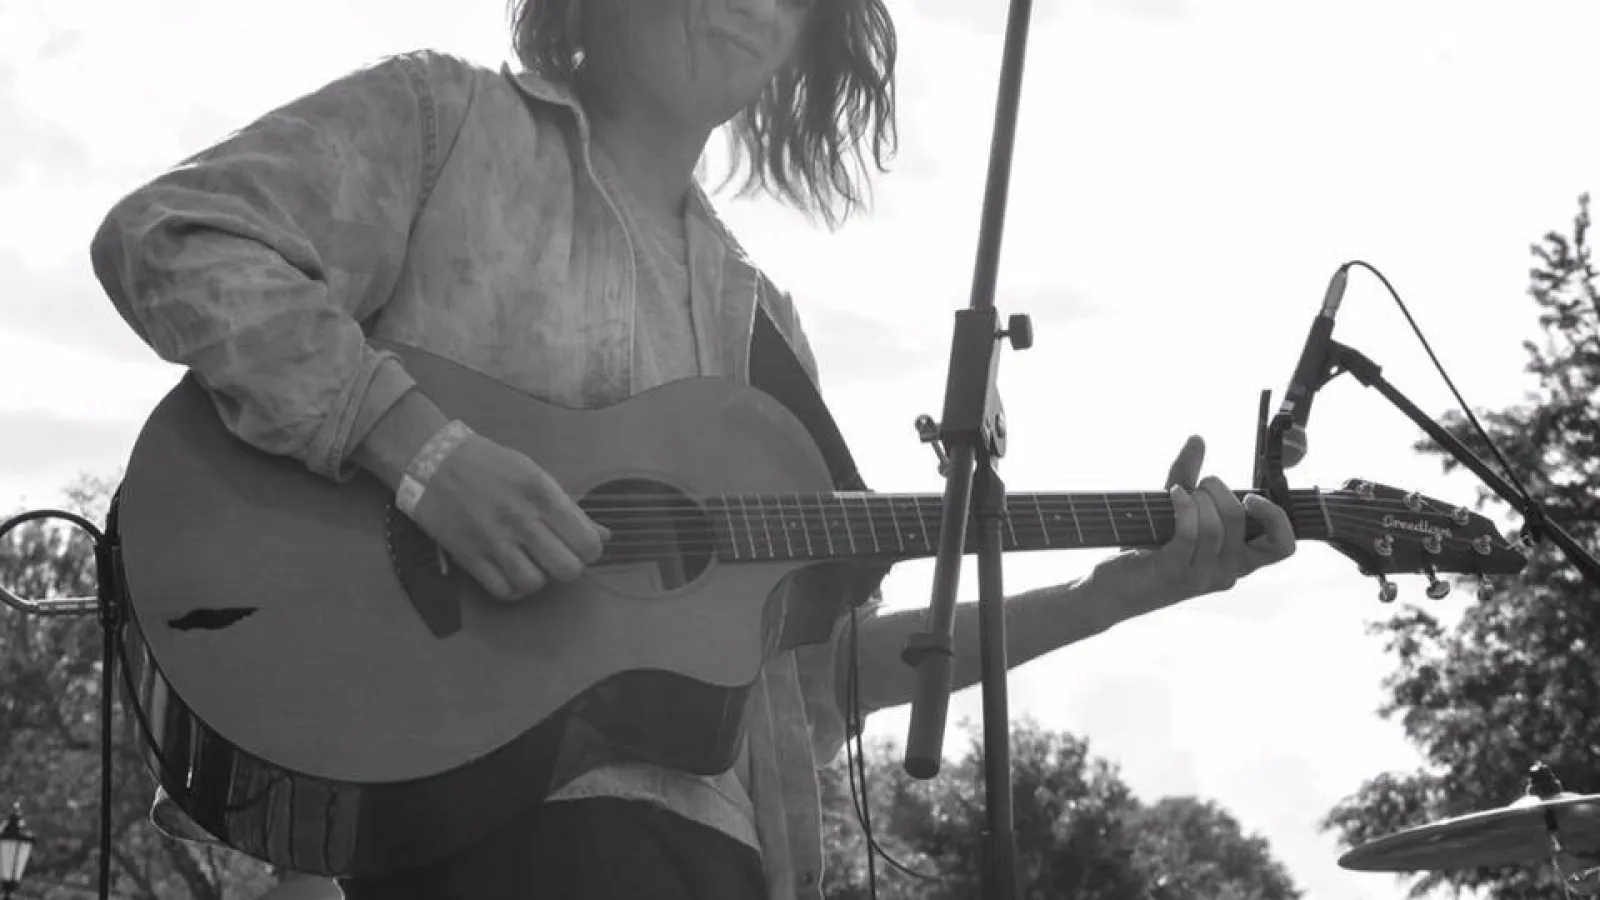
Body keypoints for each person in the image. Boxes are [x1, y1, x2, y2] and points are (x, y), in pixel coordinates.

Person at [88, 1, 1297, 898]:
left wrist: (1110, 595)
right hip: (456, 837)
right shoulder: (442, 124)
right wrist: (421, 450)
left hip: (716, 861)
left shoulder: (766, 337)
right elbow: (174, 235)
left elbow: (809, 686)